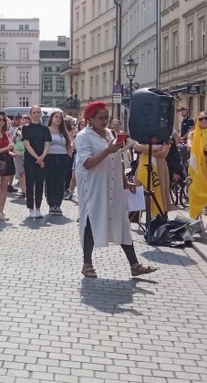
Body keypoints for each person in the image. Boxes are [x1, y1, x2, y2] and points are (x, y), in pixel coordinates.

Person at [75, 101, 157, 279]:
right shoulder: (83, 137)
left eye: (107, 117)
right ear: (90, 118)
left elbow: (117, 159)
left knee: (122, 222)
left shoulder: (110, 133)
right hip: (94, 186)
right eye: (101, 118)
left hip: (113, 185)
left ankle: (134, 264)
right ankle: (87, 263)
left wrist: (125, 181)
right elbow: (86, 163)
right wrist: (107, 150)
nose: (105, 121)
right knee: (91, 220)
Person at [22, 105, 49, 219]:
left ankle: (38, 208)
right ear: (30, 114)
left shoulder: (45, 129)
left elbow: (47, 144)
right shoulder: (26, 128)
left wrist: (42, 157)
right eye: (34, 112)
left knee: (39, 184)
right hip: (30, 159)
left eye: (38, 112)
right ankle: (31, 208)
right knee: (30, 183)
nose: (37, 114)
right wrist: (37, 157)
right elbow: (27, 145)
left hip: (42, 159)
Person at [44, 110, 72, 215]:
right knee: (50, 181)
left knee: (60, 182)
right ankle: (51, 204)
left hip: (62, 158)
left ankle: (58, 204)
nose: (58, 119)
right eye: (56, 117)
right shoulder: (46, 130)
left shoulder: (63, 132)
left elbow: (69, 145)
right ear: (51, 118)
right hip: (49, 157)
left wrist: (68, 158)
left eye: (60, 118)